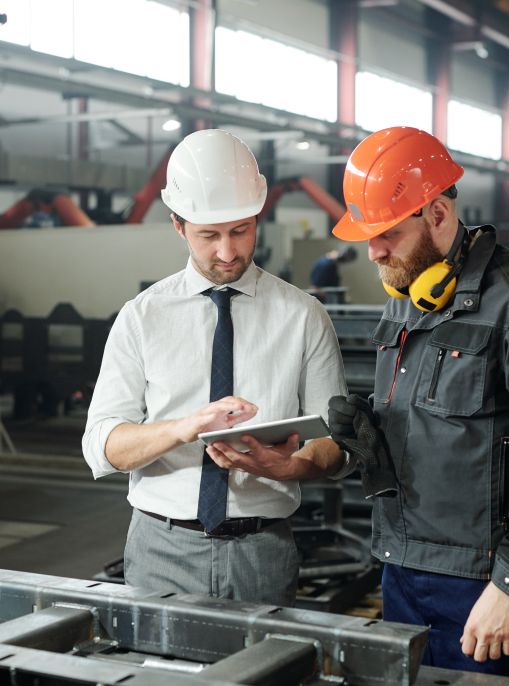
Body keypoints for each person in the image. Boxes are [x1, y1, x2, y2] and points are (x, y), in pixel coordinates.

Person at [324, 126, 509, 680]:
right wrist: (370, 441)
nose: (373, 250)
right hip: (401, 568)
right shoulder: (405, 301)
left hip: (483, 582)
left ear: (437, 215)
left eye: (387, 234)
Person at [82, 129, 347, 606]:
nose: (228, 252)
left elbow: (335, 445)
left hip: (264, 550)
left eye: (241, 231)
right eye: (209, 235)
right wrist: (185, 428)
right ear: (178, 226)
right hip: (161, 548)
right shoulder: (142, 317)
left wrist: (290, 465)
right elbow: (104, 446)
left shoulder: (303, 315)